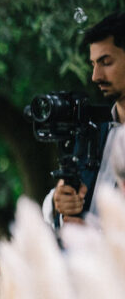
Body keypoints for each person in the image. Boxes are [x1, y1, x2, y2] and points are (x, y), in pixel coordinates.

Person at [47, 11, 125, 225]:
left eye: (106, 62)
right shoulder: (92, 130)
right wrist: (57, 201)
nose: (96, 76)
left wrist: (95, 236)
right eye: (93, 64)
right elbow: (56, 203)